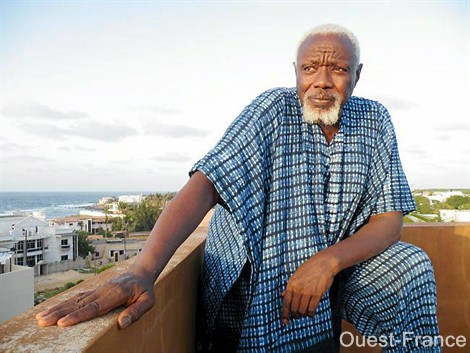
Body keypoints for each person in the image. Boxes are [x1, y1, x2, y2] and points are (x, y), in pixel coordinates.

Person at [36, 24, 440, 352]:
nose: (321, 82)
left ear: (357, 74)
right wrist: (143, 271)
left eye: (336, 69)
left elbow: (389, 219)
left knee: (412, 268)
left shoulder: (375, 121)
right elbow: (205, 184)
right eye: (309, 69)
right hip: (261, 280)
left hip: (336, 274)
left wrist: (328, 262)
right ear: (294, 71)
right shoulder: (272, 110)